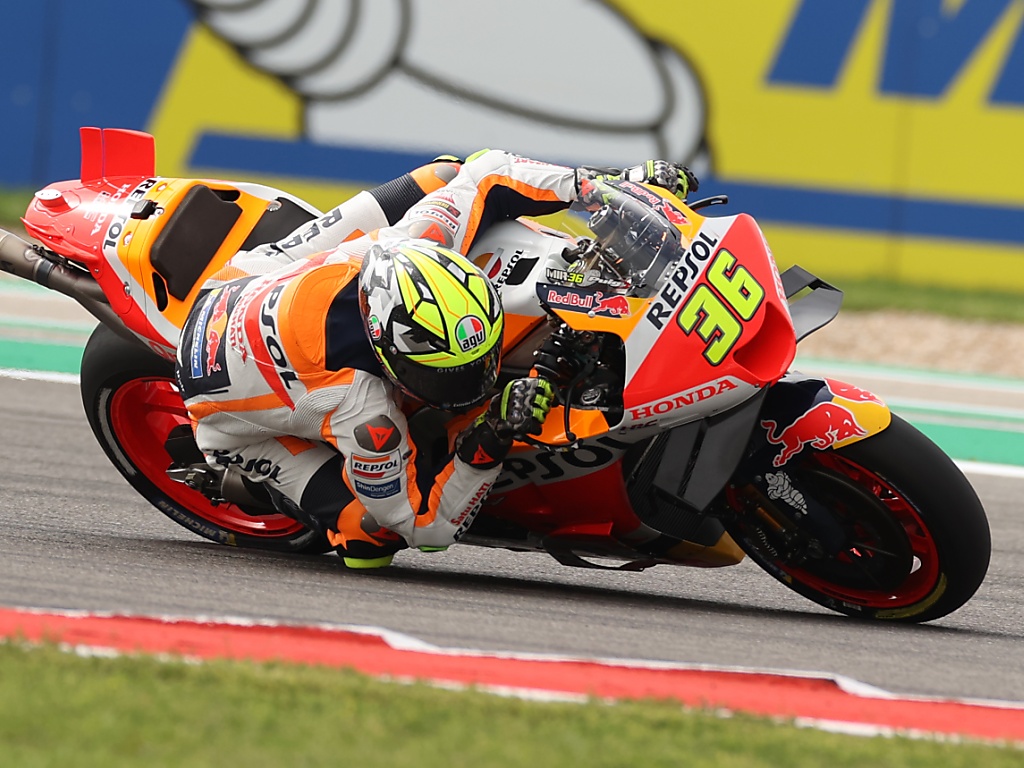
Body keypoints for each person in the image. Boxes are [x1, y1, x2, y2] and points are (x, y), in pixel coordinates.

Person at [175, 150, 698, 568]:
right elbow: (425, 527)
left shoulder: (418, 240)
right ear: (388, 355)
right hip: (228, 406)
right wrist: (494, 431)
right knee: (369, 538)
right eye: (450, 374)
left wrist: (609, 186)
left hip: (246, 278)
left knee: (447, 173)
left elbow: (489, 171)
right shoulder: (359, 409)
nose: (476, 380)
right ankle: (248, 482)